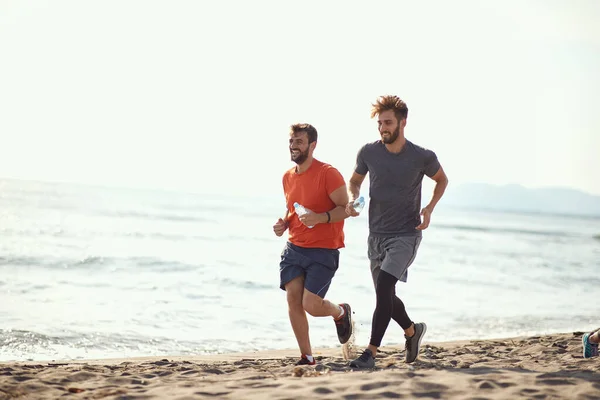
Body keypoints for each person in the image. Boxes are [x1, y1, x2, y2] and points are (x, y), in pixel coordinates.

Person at [345, 95, 449, 368]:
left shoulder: (422, 156)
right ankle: (412, 331)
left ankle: (370, 353)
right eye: (380, 123)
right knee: (385, 296)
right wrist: (352, 197)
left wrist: (430, 207)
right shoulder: (368, 152)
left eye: (388, 122)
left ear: (403, 122)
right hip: (376, 235)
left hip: (406, 234)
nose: (383, 128)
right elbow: (354, 181)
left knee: (383, 286)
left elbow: (441, 180)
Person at [273, 123, 353, 366]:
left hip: (323, 250)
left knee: (311, 305)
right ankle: (307, 357)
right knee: (293, 299)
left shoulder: (328, 173)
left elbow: (346, 210)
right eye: (291, 141)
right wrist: (284, 224)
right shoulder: (287, 177)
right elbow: (293, 209)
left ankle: (340, 312)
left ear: (312, 145)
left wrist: (320, 218)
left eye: (299, 141)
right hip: (294, 248)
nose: (293, 146)